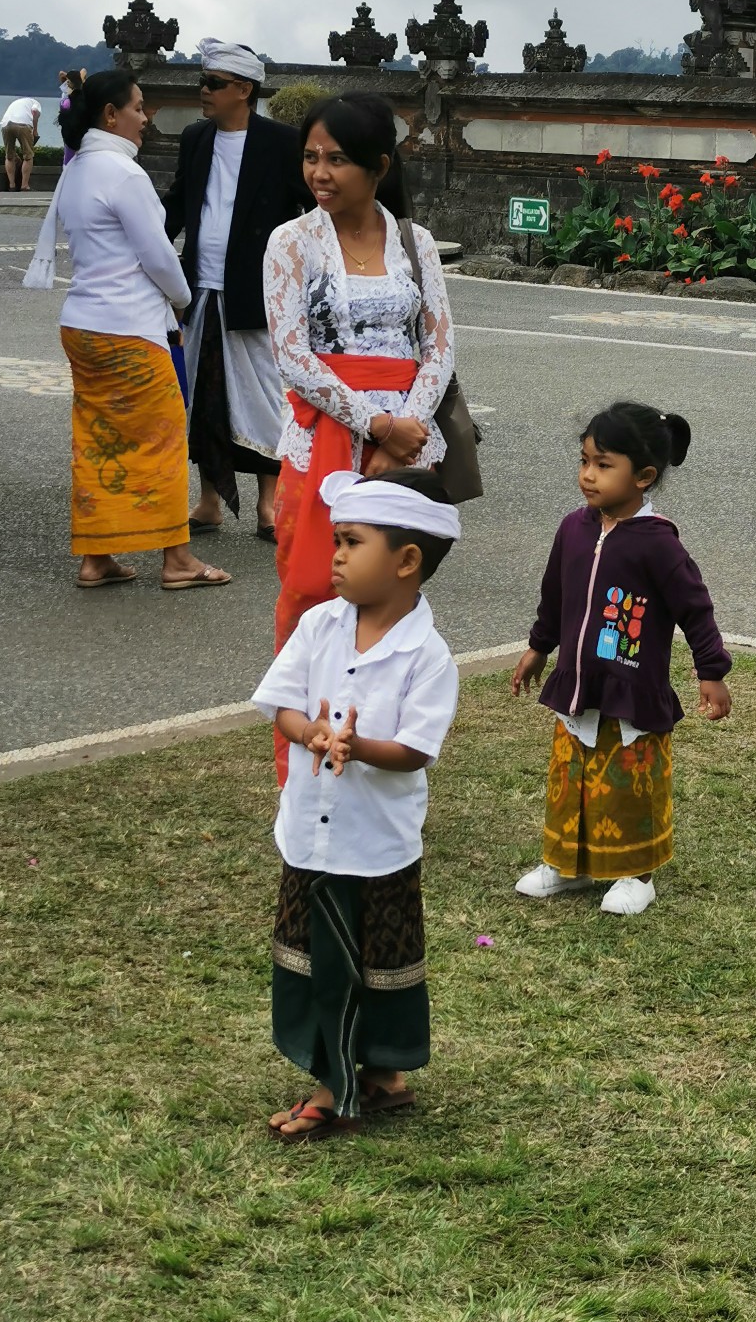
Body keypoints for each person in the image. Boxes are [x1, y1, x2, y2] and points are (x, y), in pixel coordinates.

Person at [250, 466, 461, 1138]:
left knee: (374, 966)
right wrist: (310, 732)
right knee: (319, 960)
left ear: (406, 562)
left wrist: (357, 746)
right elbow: (282, 706)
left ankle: (353, 1085)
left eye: (351, 542)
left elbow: (417, 748)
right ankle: (354, 1079)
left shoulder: (426, 655)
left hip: (374, 843)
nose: (334, 556)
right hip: (311, 837)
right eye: (336, 541)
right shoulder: (319, 626)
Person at [263, 92, 455, 784]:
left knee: (389, 592)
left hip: (406, 439)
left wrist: (407, 427)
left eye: (337, 159)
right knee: (315, 588)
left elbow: (438, 345)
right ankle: (302, 756)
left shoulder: (416, 242)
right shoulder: (290, 243)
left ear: (378, 165)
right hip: (326, 438)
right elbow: (292, 355)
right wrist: (373, 423)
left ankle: (376, 742)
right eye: (311, 157)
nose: (320, 172)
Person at [511, 401, 732, 915]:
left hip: (632, 686)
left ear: (645, 477)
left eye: (604, 465)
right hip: (578, 683)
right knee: (571, 778)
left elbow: (695, 610)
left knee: (627, 780)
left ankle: (636, 872)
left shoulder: (659, 545)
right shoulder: (573, 528)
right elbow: (555, 595)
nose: (588, 475)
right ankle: (567, 865)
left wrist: (711, 672)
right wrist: (539, 646)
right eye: (584, 460)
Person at [23, 70, 231, 591]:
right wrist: (183, 301)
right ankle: (178, 558)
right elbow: (158, 256)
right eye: (138, 107)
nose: (145, 117)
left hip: (83, 325)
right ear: (111, 116)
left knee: (97, 440)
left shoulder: (77, 171)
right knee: (160, 438)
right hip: (129, 328)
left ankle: (97, 556)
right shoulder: (124, 175)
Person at [163, 39, 311, 540]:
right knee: (204, 395)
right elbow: (178, 202)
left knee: (267, 397)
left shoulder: (280, 142)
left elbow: (311, 207)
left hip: (256, 289)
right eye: (203, 83)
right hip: (199, 287)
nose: (203, 92)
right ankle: (209, 501)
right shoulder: (195, 137)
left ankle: (270, 505)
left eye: (213, 84)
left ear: (243, 90)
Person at [0, 95, 42, 191]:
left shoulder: (16, 102)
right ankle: (24, 185)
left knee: (9, 156)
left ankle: (12, 185)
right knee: (28, 156)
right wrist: (35, 130)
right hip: (23, 124)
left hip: (6, 124)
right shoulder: (36, 103)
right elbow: (35, 112)